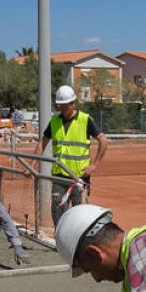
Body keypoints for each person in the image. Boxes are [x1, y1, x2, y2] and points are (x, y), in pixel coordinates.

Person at [39, 85, 110, 224]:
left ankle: (77, 243)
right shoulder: (55, 121)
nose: (62, 109)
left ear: (72, 104)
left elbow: (103, 140)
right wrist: (33, 164)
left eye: (65, 106)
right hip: (59, 176)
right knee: (57, 209)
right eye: (60, 105)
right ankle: (60, 239)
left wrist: (94, 165)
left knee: (79, 214)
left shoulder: (85, 119)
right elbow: (43, 141)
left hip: (79, 177)